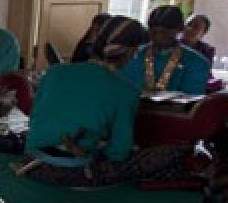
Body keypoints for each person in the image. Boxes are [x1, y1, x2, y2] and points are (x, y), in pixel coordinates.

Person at [24, 16, 189, 187]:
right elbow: (118, 152)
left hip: (32, 163)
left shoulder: (54, 72)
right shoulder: (126, 91)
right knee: (174, 153)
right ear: (132, 52)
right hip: (74, 173)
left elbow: (36, 116)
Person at [119, 5, 210, 95]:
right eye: (153, 32)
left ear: (180, 29)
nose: (158, 37)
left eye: (165, 33)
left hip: (175, 109)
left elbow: (192, 98)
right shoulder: (131, 55)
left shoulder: (198, 62)